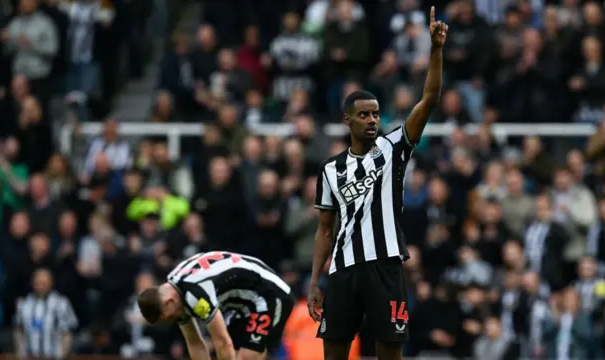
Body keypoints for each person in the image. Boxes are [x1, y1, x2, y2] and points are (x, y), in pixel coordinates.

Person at [307, 7, 447, 360]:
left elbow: (428, 100)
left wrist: (435, 51)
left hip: (385, 265)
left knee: (390, 351)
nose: (372, 120)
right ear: (347, 120)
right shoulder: (329, 170)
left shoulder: (393, 146)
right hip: (342, 270)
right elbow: (325, 229)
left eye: (375, 113)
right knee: (335, 351)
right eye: (364, 114)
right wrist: (313, 282)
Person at [136, 251, 295, 360]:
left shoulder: (196, 296)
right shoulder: (174, 292)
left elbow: (223, 343)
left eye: (167, 318)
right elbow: (195, 343)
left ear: (168, 303)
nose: (172, 321)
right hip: (243, 304)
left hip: (270, 295)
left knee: (246, 356)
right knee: (234, 353)